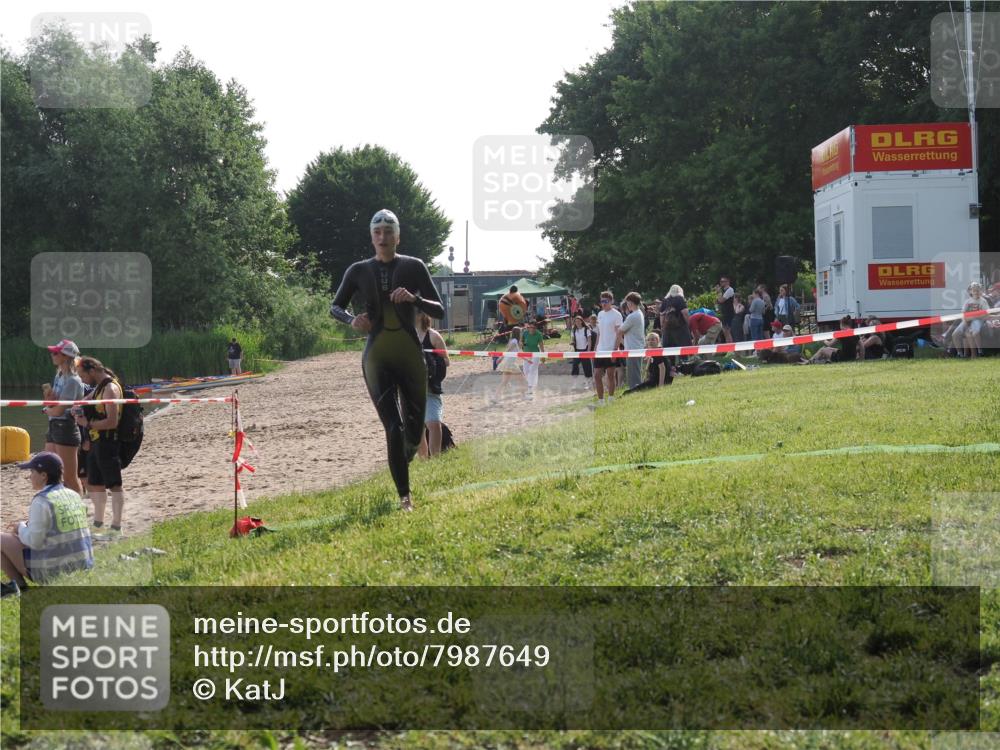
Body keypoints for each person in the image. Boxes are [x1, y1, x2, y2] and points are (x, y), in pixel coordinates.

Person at [329, 209, 444, 512]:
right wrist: (352, 320)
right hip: (377, 357)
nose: (382, 237)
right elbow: (335, 307)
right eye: (377, 231)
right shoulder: (358, 270)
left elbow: (440, 309)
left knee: (412, 431)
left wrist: (414, 299)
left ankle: (404, 455)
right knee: (392, 427)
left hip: (410, 356)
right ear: (371, 236)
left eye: (388, 231)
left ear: (398, 236)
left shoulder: (414, 266)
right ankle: (405, 497)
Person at [0, 452, 93, 597]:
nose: (29, 476)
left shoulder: (42, 500)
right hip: (82, 564)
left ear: (43, 475)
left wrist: (20, 528)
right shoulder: (73, 495)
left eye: (32, 472)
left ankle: (19, 587)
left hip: (55, 571)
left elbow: (35, 542)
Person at [73, 357, 126, 535]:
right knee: (95, 483)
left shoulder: (110, 389)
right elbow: (83, 401)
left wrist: (87, 423)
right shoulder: (99, 388)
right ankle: (98, 522)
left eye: (82, 375)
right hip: (96, 442)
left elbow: (112, 422)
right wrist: (76, 408)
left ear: (92, 371)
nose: (82, 380)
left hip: (108, 442)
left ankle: (117, 525)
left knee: (114, 484)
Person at [41, 339, 84, 494]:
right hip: (54, 426)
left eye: (55, 352)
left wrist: (47, 410)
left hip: (66, 427)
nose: (52, 355)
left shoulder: (73, 380)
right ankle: (60, 506)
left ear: (65, 356)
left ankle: (79, 511)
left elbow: (60, 411)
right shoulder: (59, 375)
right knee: (49, 470)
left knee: (70, 478)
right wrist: (50, 398)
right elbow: (57, 404)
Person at [416, 313, 449, 458]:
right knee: (417, 429)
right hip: (410, 390)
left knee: (434, 423)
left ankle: (435, 460)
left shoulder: (433, 336)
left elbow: (446, 361)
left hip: (430, 388)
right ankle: (424, 462)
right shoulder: (404, 335)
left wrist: (431, 361)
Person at [593, 291, 623, 405]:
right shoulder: (600, 314)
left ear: (611, 301)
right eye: (602, 301)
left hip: (611, 349)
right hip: (600, 350)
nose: (603, 303)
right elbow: (599, 333)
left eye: (606, 301)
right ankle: (601, 400)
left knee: (610, 375)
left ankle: (610, 398)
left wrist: (615, 349)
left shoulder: (617, 314)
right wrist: (595, 348)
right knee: (597, 375)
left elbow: (619, 334)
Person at [951, 282, 991, 358]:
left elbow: (986, 314)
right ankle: (959, 353)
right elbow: (963, 314)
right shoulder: (967, 301)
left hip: (978, 320)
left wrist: (972, 318)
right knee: (955, 334)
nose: (976, 292)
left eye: (978, 290)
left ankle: (980, 351)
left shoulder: (983, 301)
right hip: (967, 320)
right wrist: (965, 321)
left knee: (974, 332)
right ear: (971, 292)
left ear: (981, 291)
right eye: (974, 290)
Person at [617, 292, 646, 390]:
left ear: (630, 303)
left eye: (627, 302)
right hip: (636, 347)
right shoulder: (639, 313)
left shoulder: (633, 316)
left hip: (633, 348)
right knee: (635, 372)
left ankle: (635, 391)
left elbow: (620, 330)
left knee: (633, 375)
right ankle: (636, 390)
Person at [496, 326, 526, 397]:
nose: (521, 333)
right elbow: (508, 350)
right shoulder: (514, 341)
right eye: (521, 332)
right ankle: (524, 396)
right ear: (518, 333)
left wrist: (527, 359)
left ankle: (495, 396)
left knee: (504, 382)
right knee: (522, 380)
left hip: (509, 362)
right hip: (510, 363)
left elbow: (517, 353)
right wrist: (501, 358)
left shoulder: (515, 341)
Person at [521, 319, 545, 397]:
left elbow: (541, 345)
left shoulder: (539, 334)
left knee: (532, 370)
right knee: (526, 371)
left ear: (536, 328)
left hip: (535, 354)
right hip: (526, 354)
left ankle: (530, 388)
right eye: (530, 327)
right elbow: (521, 342)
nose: (531, 329)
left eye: (533, 328)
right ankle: (532, 384)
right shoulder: (525, 333)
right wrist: (522, 344)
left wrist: (543, 356)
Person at [570, 314, 595, 388]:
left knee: (586, 367)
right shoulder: (573, 330)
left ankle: (588, 382)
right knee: (575, 365)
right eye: (576, 321)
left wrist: (588, 351)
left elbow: (589, 341)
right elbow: (573, 339)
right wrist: (572, 342)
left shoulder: (586, 329)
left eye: (578, 321)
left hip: (585, 350)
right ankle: (575, 382)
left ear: (581, 321)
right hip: (577, 351)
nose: (577, 323)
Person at [715, 276, 736, 343]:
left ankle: (731, 348)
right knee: (725, 331)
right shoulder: (723, 291)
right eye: (720, 282)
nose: (721, 283)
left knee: (727, 331)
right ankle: (729, 348)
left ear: (727, 282)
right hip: (724, 312)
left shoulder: (730, 290)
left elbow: (721, 300)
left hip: (728, 313)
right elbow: (718, 300)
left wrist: (718, 292)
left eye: (722, 281)